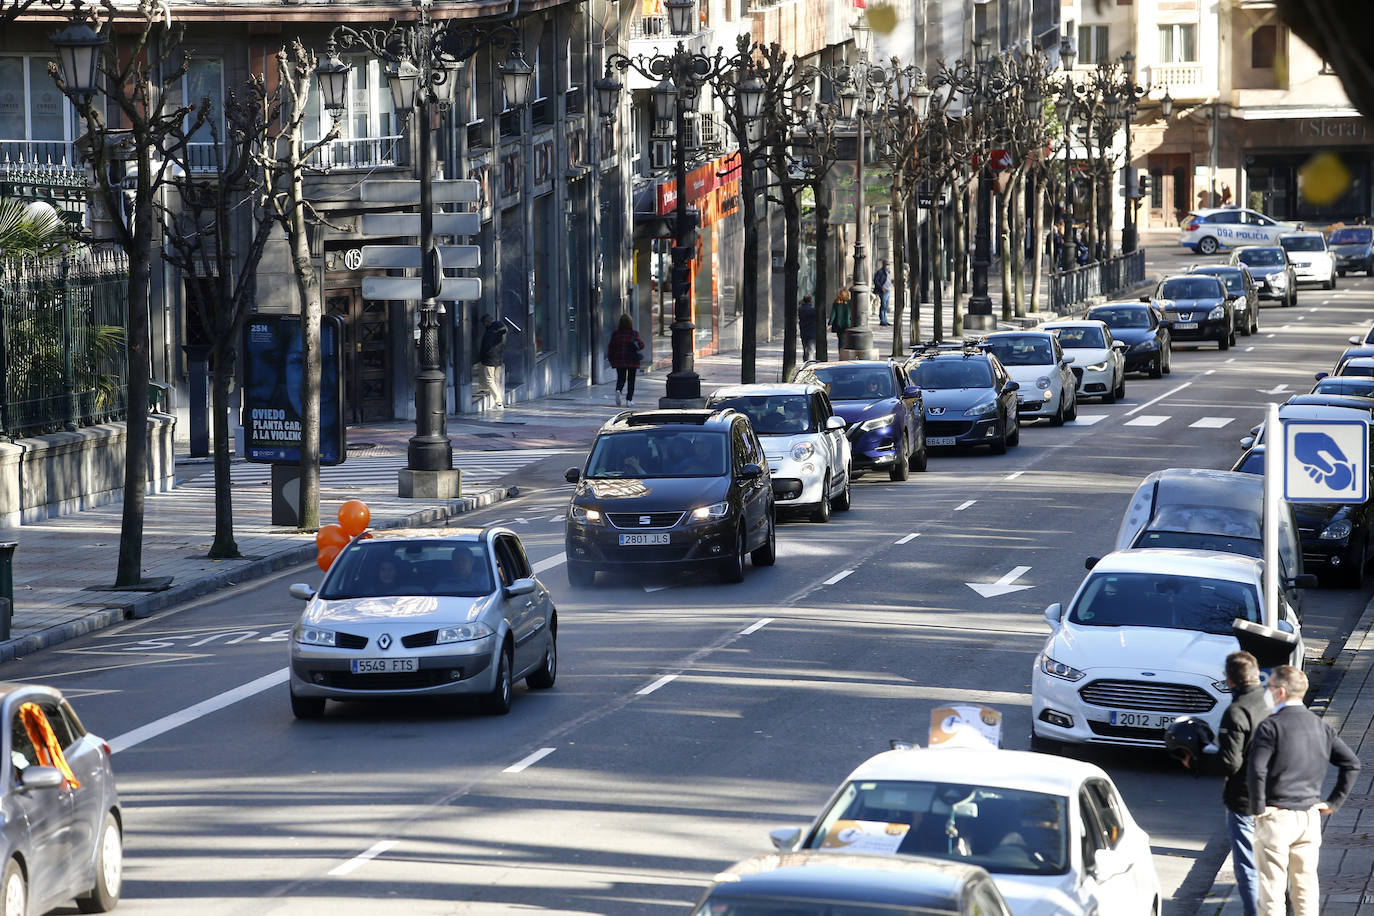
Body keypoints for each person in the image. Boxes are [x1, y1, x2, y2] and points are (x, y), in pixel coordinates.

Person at [1247, 665, 1361, 916]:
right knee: (1306, 888)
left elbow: (1256, 769)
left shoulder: (1270, 727)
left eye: (1270, 687)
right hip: (1309, 818)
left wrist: (1256, 806)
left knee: (1271, 891)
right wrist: (1333, 803)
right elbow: (1351, 764)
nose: (1268, 691)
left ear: (1280, 691)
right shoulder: (1321, 727)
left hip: (1276, 817)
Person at [1215, 651, 1270, 916]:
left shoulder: (1236, 712)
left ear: (1230, 680)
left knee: (1248, 867)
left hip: (1245, 800)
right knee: (1273, 865)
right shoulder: (1269, 701)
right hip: (1275, 797)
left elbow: (1230, 764)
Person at [606, 313, 645, 407]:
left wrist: (611, 359)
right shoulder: (634, 334)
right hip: (632, 360)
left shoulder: (615, 334)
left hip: (619, 360)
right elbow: (641, 345)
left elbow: (611, 347)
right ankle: (629, 400)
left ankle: (618, 390)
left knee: (621, 378)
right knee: (631, 380)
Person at [477, 314, 507, 409]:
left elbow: (487, 347)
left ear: (487, 322)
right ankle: (499, 399)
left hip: (490, 359)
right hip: (497, 358)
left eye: (484, 323)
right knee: (495, 379)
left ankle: (498, 402)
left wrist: (483, 358)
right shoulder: (497, 329)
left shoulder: (492, 330)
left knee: (490, 380)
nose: (484, 325)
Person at [830, 288, 851, 355]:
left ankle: (841, 355)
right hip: (848, 325)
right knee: (847, 341)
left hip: (839, 326)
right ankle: (846, 354)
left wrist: (830, 323)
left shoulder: (836, 303)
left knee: (841, 341)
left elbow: (833, 314)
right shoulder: (850, 303)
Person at [799, 295, 818, 362]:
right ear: (810, 301)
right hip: (812, 332)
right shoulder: (813, 310)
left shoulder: (800, 309)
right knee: (811, 351)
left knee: (805, 349)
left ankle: (805, 362)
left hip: (803, 332)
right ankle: (809, 365)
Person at [873, 260, 891, 326]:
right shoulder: (880, 272)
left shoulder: (888, 272)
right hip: (883, 291)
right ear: (883, 264)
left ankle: (885, 320)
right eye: (887, 264)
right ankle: (882, 320)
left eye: (889, 264)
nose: (888, 266)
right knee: (883, 305)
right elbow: (876, 280)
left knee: (886, 306)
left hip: (888, 290)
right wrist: (881, 288)